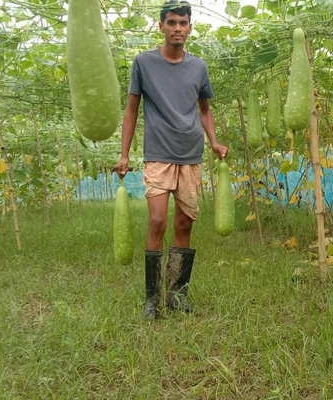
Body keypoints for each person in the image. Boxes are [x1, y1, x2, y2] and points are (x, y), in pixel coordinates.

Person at [114, 0, 228, 320]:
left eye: (183, 22)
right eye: (172, 22)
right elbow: (132, 110)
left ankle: (177, 293)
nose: (178, 28)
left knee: (184, 223)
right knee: (157, 221)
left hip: (191, 154)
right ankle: (152, 298)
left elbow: (205, 110)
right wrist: (124, 154)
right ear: (161, 26)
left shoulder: (199, 67)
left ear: (190, 27)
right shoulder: (143, 63)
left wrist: (215, 143)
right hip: (158, 155)